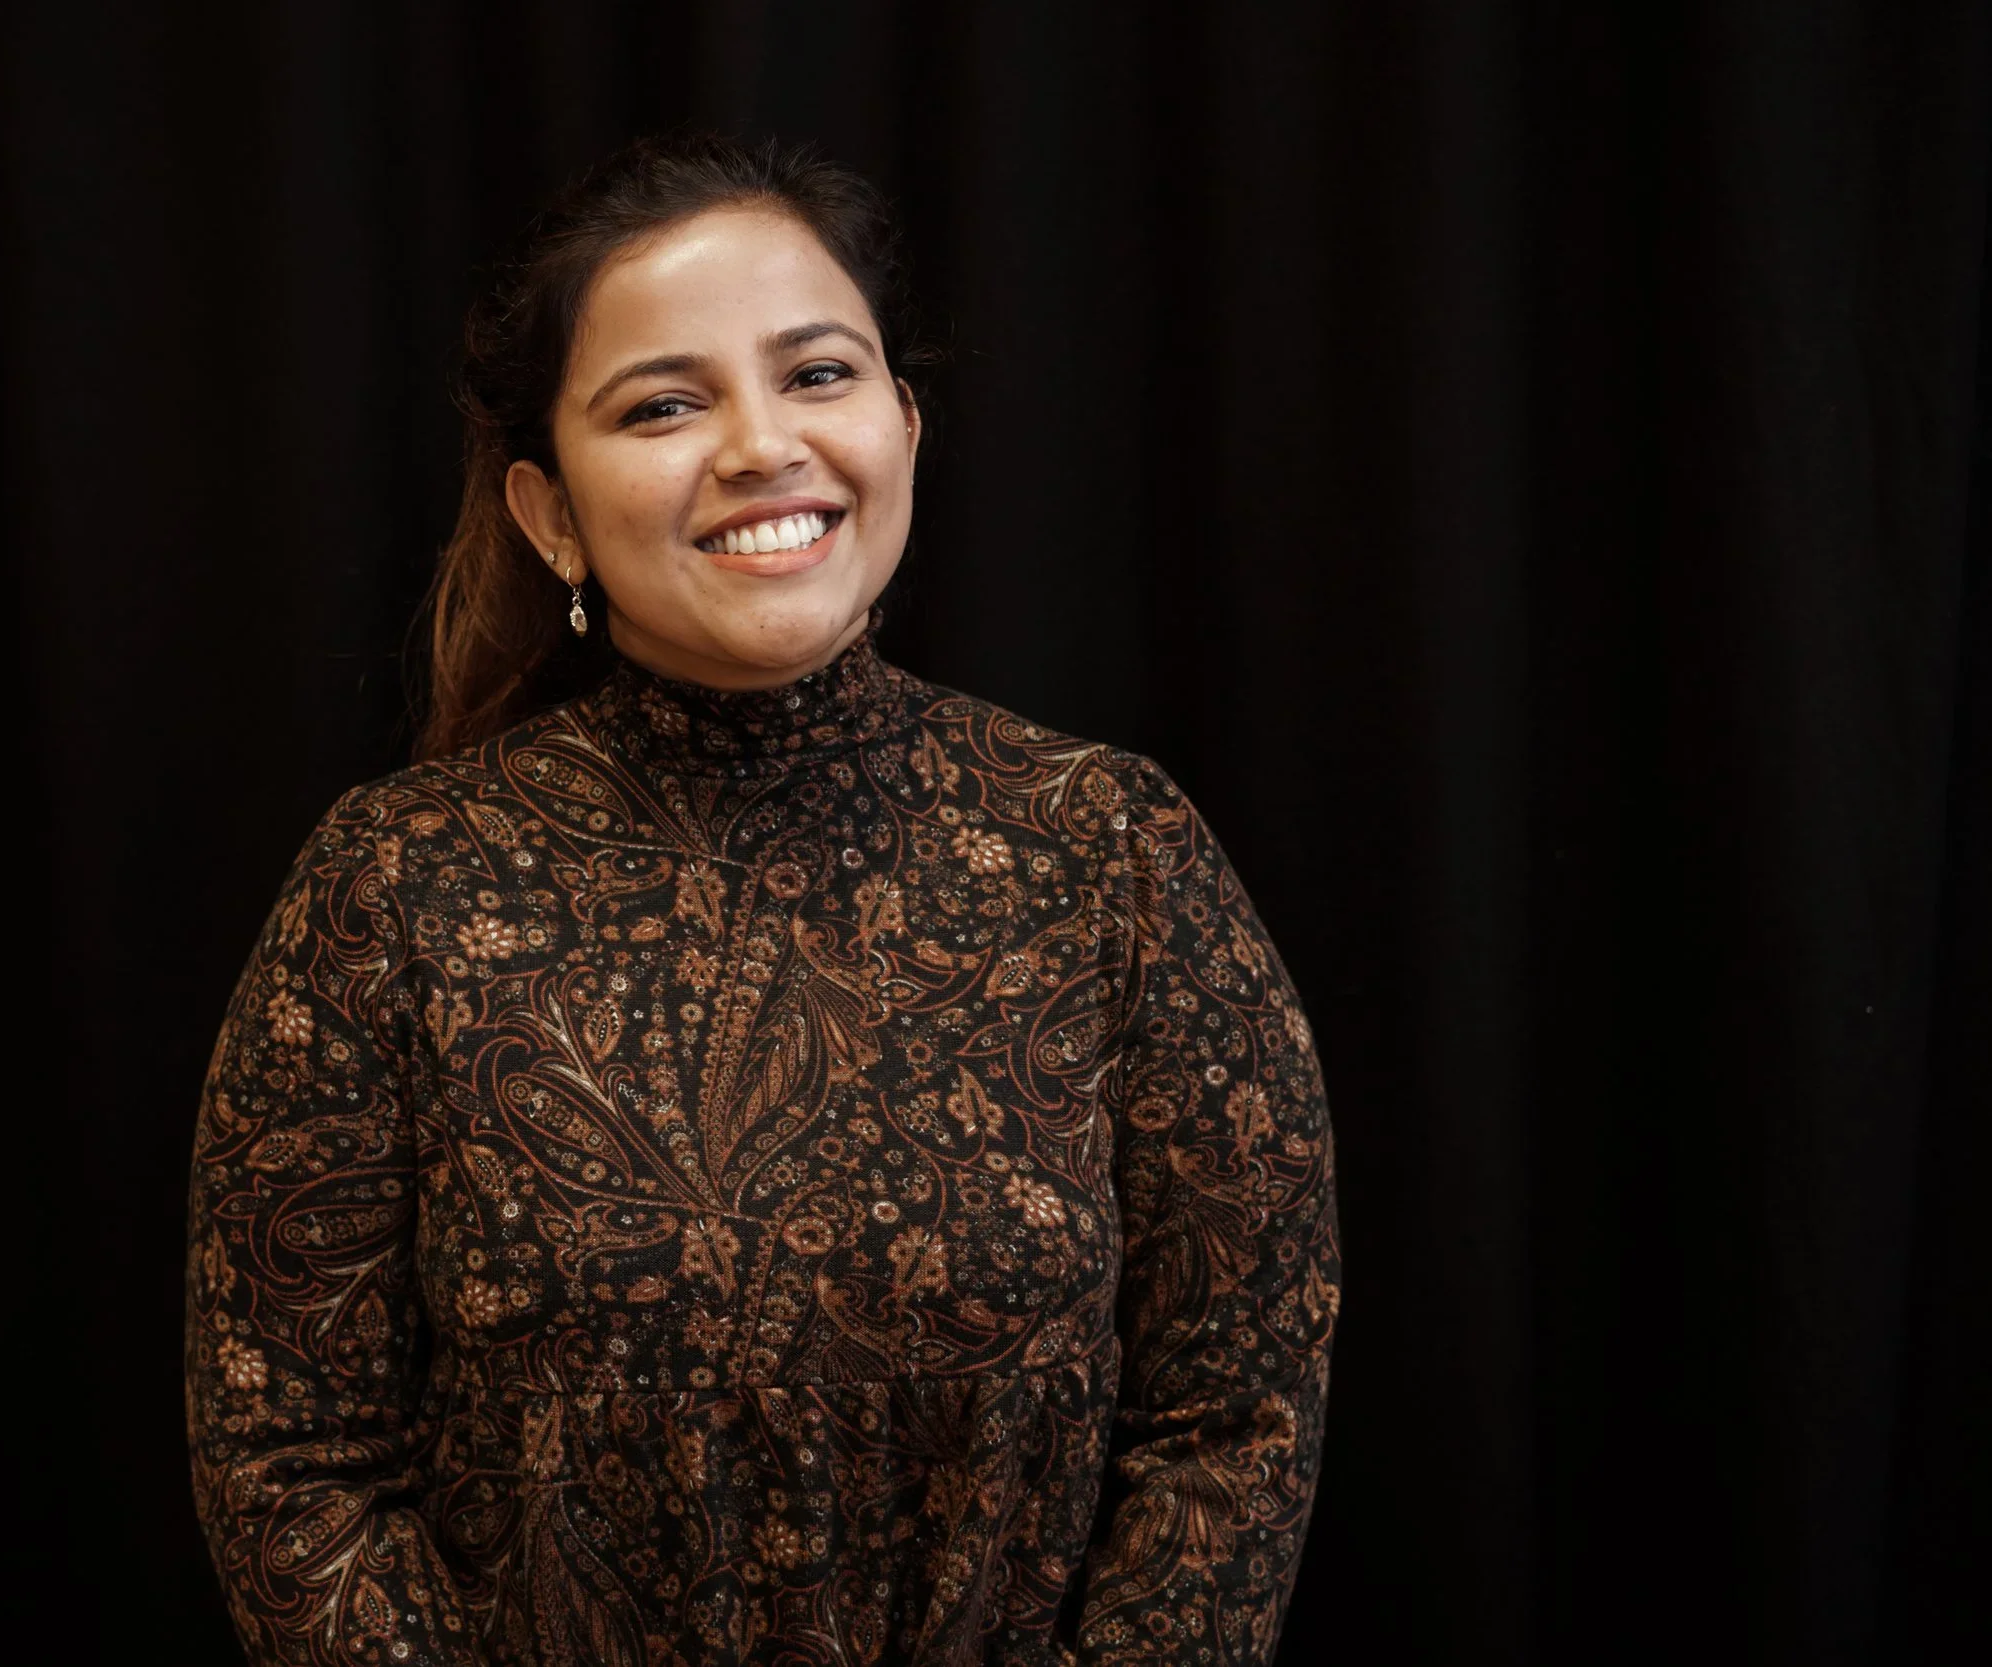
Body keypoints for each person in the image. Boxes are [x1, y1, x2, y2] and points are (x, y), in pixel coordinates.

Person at [186, 132, 1340, 1667]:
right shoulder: (395, 888)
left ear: (905, 428)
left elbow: (1235, 1414)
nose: (759, 446)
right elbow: (292, 1460)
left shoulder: (1113, 851)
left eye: (816, 375)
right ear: (547, 513)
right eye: (665, 403)